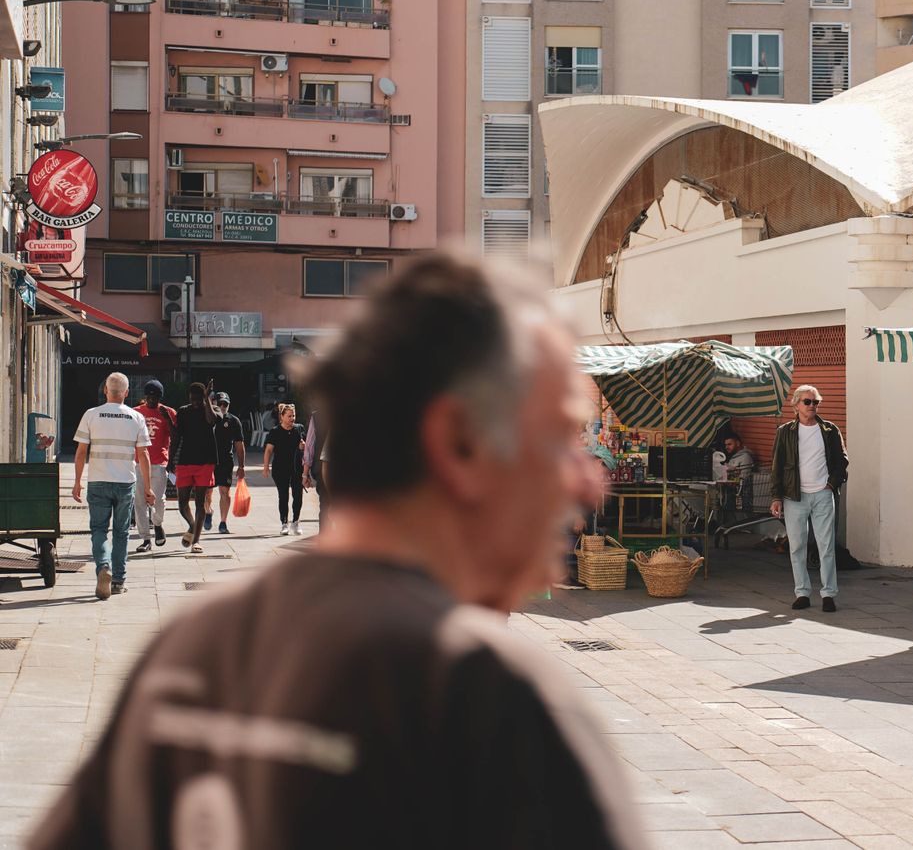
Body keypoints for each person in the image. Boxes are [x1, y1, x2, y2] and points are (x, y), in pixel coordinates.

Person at [31, 255, 646, 850]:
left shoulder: (197, 646)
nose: (589, 481)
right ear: (456, 443)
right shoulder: (490, 698)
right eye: (558, 436)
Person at [71, 373, 155, 600]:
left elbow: (81, 452)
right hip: (125, 483)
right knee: (121, 532)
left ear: (105, 391)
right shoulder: (136, 417)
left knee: (99, 530)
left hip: (98, 481)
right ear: (126, 393)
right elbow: (144, 454)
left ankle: (103, 567)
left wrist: (77, 482)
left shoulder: (91, 414)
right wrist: (148, 487)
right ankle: (118, 581)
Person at [769, 385, 848, 612]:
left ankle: (828, 594)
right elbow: (777, 466)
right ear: (796, 405)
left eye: (815, 402)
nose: (812, 406)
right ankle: (802, 593)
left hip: (823, 494)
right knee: (797, 547)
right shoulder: (785, 432)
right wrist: (776, 497)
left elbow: (842, 461)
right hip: (794, 496)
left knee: (826, 546)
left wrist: (831, 484)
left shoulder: (829, 430)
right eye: (807, 402)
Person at [168, 382, 219, 554]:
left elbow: (211, 421)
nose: (196, 402)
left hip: (205, 462)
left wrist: (207, 399)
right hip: (185, 461)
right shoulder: (183, 411)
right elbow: (176, 436)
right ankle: (192, 526)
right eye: (193, 399)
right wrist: (170, 460)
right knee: (182, 503)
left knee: (200, 502)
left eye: (199, 399)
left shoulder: (213, 409)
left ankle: (196, 541)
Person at [131, 380, 176, 553]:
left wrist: (167, 419)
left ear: (160, 397)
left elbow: (176, 436)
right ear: (145, 396)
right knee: (139, 501)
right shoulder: (135, 412)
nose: (151, 400)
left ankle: (157, 523)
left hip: (159, 462)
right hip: (138, 462)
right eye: (149, 396)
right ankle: (145, 539)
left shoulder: (168, 412)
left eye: (155, 397)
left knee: (159, 500)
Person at [202, 391, 247, 534]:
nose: (222, 407)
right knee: (206, 492)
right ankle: (208, 511)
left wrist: (241, 466)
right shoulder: (206, 418)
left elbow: (239, 444)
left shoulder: (233, 421)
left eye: (225, 404)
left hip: (225, 461)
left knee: (225, 491)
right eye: (220, 403)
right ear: (213, 403)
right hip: (207, 460)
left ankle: (223, 522)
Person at [263, 403, 307, 536]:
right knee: (283, 496)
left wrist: (303, 446)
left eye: (293, 415)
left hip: (296, 468)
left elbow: (306, 448)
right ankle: (284, 523)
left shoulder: (299, 429)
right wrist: (266, 467)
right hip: (280, 468)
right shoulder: (275, 431)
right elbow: (268, 450)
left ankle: (296, 522)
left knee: (298, 495)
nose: (292, 418)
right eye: (289, 416)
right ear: (282, 417)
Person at [722, 434, 757, 516]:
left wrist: (731, 476)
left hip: (741, 490)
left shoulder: (745, 457)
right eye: (725, 445)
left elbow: (745, 477)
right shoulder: (734, 457)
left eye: (729, 444)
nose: (726, 447)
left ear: (737, 443)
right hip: (731, 488)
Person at [303, 408, 329, 512]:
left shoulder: (317, 416)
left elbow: (309, 446)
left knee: (325, 506)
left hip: (322, 468)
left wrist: (305, 474)